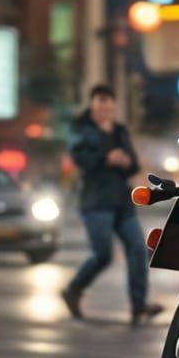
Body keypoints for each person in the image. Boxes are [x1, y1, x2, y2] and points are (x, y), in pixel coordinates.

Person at [61, 84, 163, 324]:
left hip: (121, 201)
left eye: (109, 102)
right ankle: (73, 289)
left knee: (138, 249)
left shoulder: (119, 131)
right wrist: (106, 158)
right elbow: (79, 159)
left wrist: (125, 161)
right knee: (103, 254)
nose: (105, 106)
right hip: (96, 202)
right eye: (101, 101)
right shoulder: (82, 129)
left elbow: (134, 165)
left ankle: (139, 306)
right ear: (93, 103)